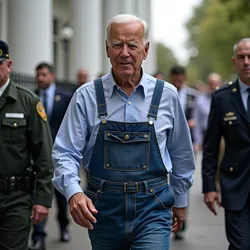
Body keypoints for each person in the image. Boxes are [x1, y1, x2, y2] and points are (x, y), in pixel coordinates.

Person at [52, 14, 195, 250]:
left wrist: (180, 199)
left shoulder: (167, 95)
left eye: (132, 45)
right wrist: (73, 192)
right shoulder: (86, 96)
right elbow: (65, 152)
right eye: (117, 45)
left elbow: (181, 153)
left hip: (153, 207)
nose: (125, 52)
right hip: (103, 210)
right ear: (107, 49)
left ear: (146, 50)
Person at [0, 40, 53, 250]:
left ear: (9, 65)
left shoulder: (28, 102)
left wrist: (42, 198)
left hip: (16, 199)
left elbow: (43, 154)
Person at [202, 38, 250, 250]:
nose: (247, 62)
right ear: (234, 62)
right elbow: (210, 146)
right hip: (235, 185)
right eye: (241, 57)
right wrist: (209, 186)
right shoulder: (222, 98)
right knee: (240, 246)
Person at [28, 63, 72, 250]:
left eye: (44, 74)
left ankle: (63, 226)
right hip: (37, 158)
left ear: (52, 76)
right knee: (38, 196)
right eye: (38, 75)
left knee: (60, 198)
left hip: (58, 156)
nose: (40, 78)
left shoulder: (65, 98)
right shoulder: (31, 97)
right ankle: (39, 236)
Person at [169, 65, 197, 240]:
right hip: (168, 145)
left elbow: (201, 119)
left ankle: (181, 215)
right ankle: (170, 218)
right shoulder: (166, 94)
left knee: (183, 180)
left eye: (180, 78)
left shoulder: (193, 97)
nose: (178, 81)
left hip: (188, 145)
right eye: (175, 77)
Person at [193, 73, 222, 152]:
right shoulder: (200, 100)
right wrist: (198, 141)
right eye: (211, 83)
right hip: (205, 136)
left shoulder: (225, 100)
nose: (213, 86)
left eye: (215, 84)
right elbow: (197, 122)